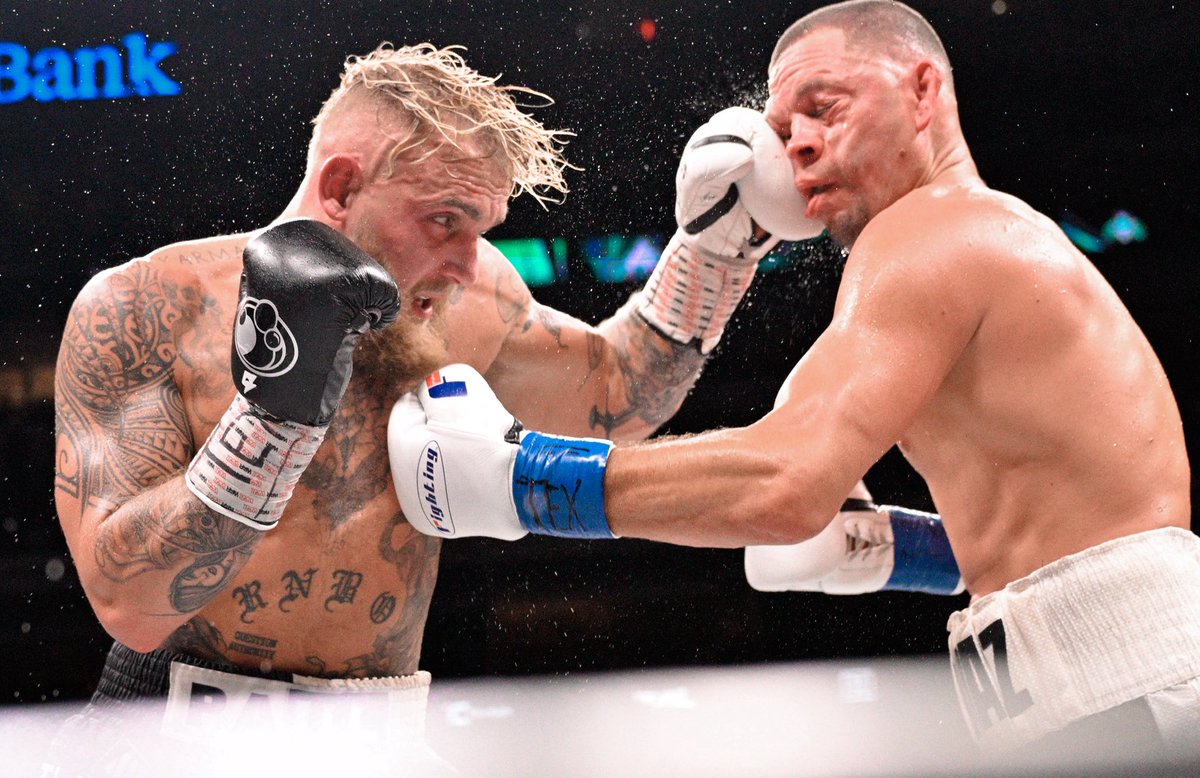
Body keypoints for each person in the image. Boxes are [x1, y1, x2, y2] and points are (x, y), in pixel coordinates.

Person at [389, 1, 1200, 753]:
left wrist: (523, 479)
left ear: (924, 92)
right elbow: (1058, 515)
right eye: (783, 129)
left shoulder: (934, 231)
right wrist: (894, 548)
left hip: (1130, 693)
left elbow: (785, 485)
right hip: (1107, 695)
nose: (800, 142)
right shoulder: (947, 255)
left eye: (826, 106)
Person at [49, 42, 809, 775]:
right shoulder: (150, 306)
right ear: (342, 188)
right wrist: (273, 418)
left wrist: (717, 250)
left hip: (382, 738)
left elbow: (615, 396)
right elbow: (127, 602)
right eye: (445, 220)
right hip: (167, 739)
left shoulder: (467, 303)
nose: (468, 262)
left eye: (481, 228)